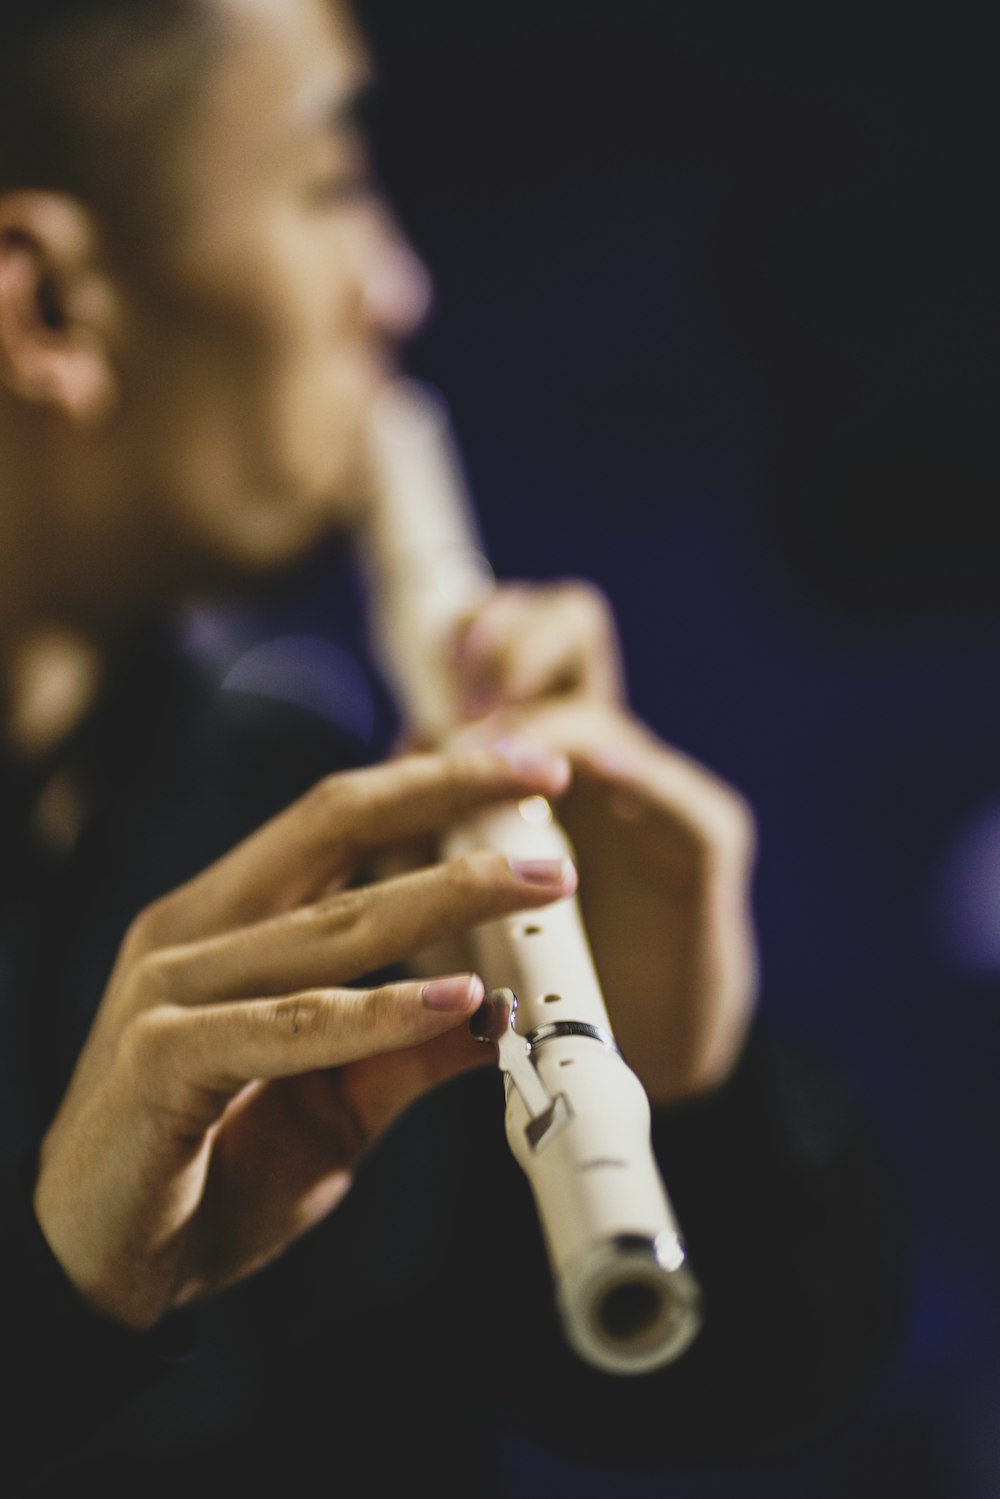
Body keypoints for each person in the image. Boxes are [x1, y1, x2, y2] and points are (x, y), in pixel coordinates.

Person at [0, 0, 904, 1494]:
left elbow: (702, 1392)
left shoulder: (288, 802)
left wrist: (688, 1093)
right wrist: (59, 1314)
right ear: (45, 311)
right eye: (327, 184)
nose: (401, 285)